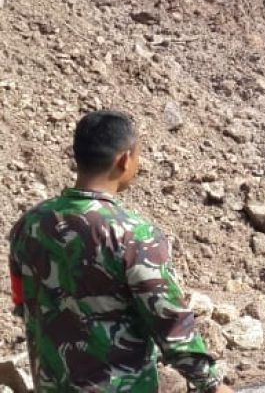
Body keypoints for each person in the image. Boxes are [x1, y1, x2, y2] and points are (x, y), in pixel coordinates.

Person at [8, 110, 233, 393]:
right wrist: (211, 384)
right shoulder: (135, 235)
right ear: (125, 159)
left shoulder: (28, 225)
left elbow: (22, 303)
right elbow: (171, 325)